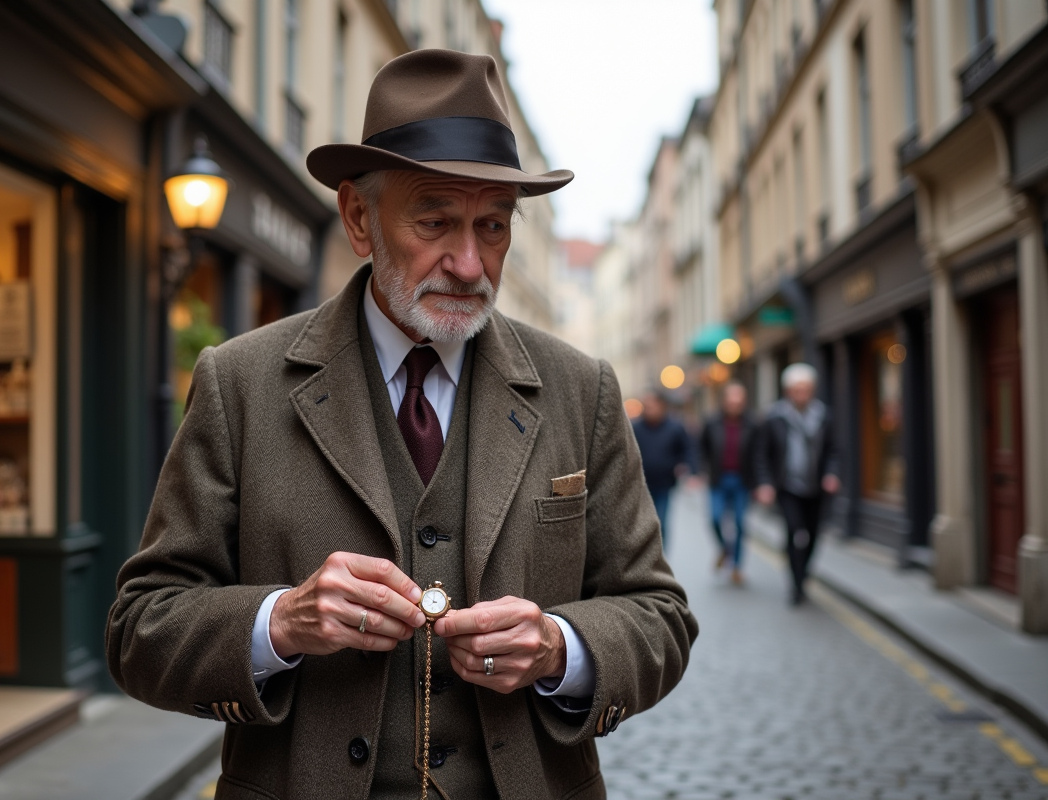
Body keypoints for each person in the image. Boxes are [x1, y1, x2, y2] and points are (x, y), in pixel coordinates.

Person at [106, 50, 697, 800]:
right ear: (360, 217)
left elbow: (660, 618)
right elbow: (140, 629)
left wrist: (560, 646)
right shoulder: (242, 382)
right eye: (435, 220)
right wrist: (279, 621)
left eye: (492, 225)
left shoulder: (581, 389)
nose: (468, 261)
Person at [753, 363, 840, 605]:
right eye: (796, 389)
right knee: (793, 531)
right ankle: (796, 582)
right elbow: (762, 454)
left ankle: (803, 571)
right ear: (788, 391)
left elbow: (834, 450)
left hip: (816, 487)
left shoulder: (824, 416)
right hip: (787, 486)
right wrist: (765, 483)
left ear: (812, 390)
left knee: (812, 533)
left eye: (806, 389)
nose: (801, 394)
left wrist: (831, 473)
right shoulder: (774, 417)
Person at [699, 382, 756, 585]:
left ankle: (737, 567)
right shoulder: (712, 422)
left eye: (739, 399)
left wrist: (761, 483)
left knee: (740, 523)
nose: (735, 403)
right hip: (718, 479)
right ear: (724, 401)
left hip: (742, 480)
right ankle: (726, 549)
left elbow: (758, 454)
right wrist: (699, 471)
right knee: (715, 519)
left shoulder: (752, 424)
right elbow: (702, 448)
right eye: (731, 399)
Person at [630, 390, 696, 550]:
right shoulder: (635, 428)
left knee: (661, 521)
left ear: (662, 406)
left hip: (664, 483)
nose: (649, 410)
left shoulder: (675, 427)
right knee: (642, 525)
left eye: (652, 406)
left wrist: (685, 466)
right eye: (646, 406)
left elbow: (687, 450)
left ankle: (660, 559)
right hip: (640, 485)